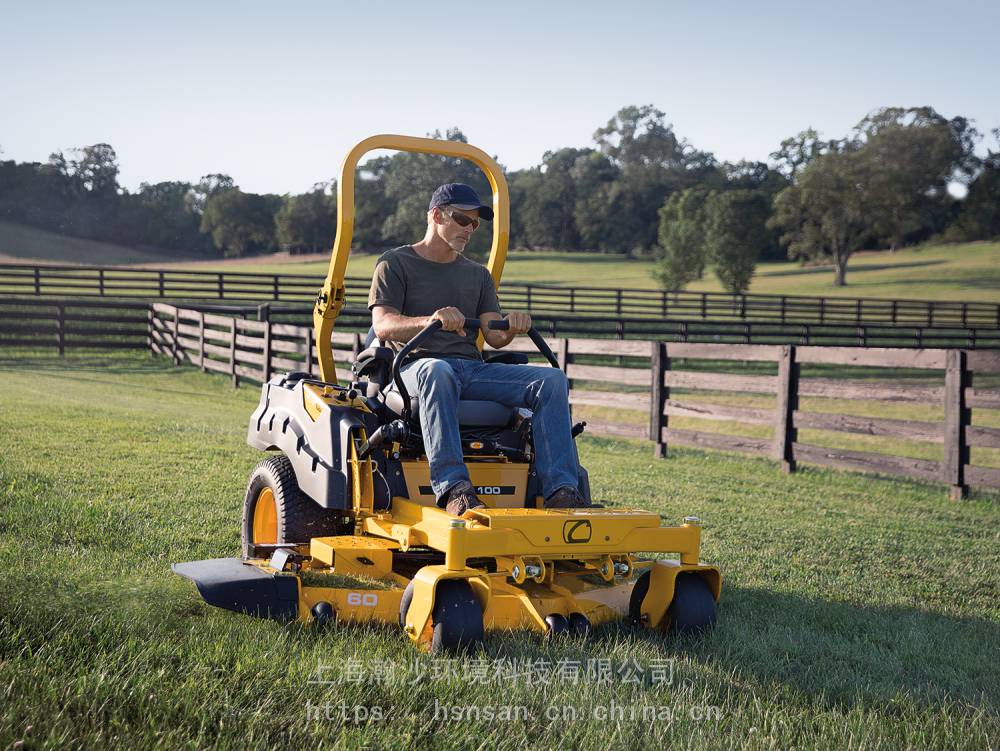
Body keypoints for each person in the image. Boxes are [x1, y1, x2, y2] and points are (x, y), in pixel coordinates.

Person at [367, 182, 589, 516]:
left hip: (470, 368)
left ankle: (561, 491)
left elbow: (495, 336)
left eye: (474, 223)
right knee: (437, 370)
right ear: (436, 215)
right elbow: (384, 325)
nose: (469, 229)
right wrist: (432, 320)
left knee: (551, 379)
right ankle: (454, 488)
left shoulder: (477, 275)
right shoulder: (395, 263)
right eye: (462, 219)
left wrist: (512, 325)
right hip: (414, 367)